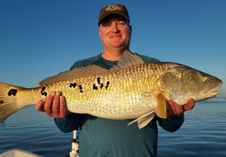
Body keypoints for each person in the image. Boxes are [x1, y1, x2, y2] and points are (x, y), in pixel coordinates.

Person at [35, 4, 195, 157]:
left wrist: (174, 116)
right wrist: (61, 114)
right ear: (99, 31)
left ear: (130, 29)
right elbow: (67, 127)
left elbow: (171, 127)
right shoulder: (82, 67)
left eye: (121, 23)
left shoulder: (153, 66)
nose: (115, 29)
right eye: (107, 24)